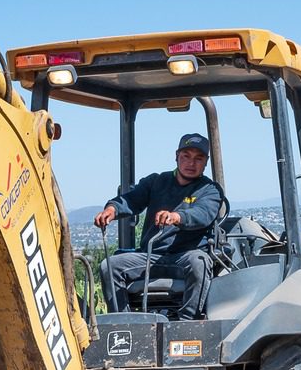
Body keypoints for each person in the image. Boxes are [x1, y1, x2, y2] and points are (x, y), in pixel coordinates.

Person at [93, 134, 225, 319]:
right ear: (176, 156)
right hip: (151, 256)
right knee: (110, 266)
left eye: (198, 158)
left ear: (205, 162)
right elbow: (132, 199)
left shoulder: (210, 190)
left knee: (200, 262)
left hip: (185, 256)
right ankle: (124, 321)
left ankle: (185, 322)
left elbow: (204, 214)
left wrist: (177, 217)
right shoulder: (156, 182)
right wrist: (113, 209)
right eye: (186, 156)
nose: (191, 163)